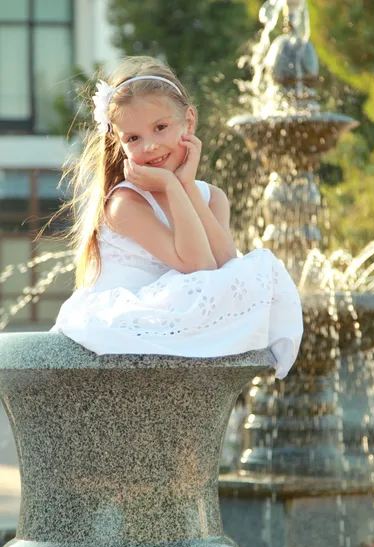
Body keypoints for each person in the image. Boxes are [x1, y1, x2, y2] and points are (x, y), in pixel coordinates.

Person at [51, 55, 303, 379]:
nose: (151, 145)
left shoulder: (213, 198)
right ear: (119, 143)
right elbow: (199, 267)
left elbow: (228, 264)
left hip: (182, 315)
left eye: (160, 127)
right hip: (128, 320)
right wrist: (171, 183)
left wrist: (185, 186)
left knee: (261, 269)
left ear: (189, 122)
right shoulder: (124, 203)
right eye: (133, 138)